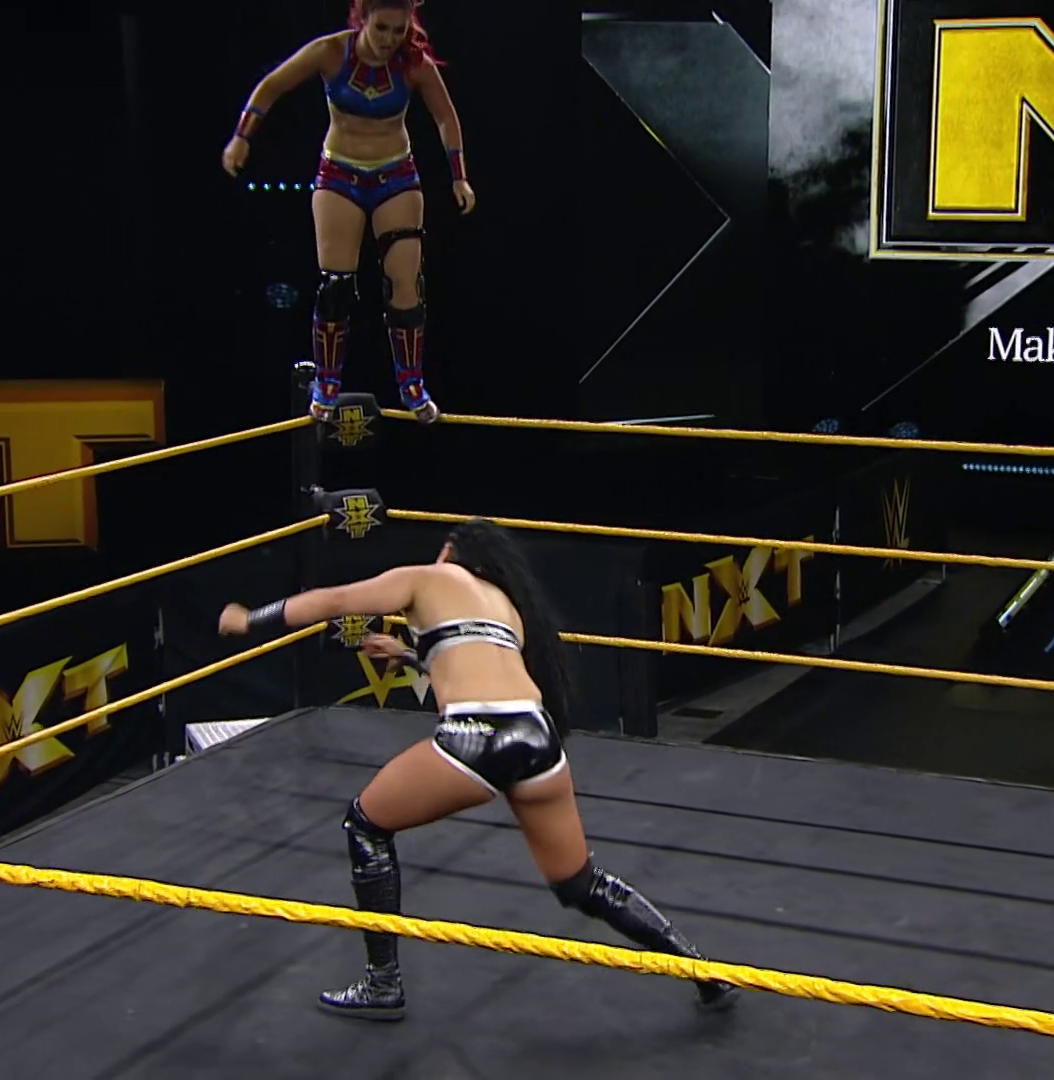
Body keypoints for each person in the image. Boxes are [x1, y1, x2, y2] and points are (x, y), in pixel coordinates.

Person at [218, 518, 739, 1019]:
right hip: (536, 737)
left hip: (478, 735)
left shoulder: (427, 577)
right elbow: (478, 666)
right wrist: (410, 656)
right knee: (580, 883)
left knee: (366, 825)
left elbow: (335, 600)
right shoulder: (507, 606)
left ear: (451, 551)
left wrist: (251, 621)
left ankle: (382, 983)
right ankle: (700, 967)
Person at [221, 0, 476, 426]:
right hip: (339, 175)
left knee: (406, 284)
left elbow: (446, 118)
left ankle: (412, 383)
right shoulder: (331, 52)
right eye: (382, 29)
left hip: (396, 175)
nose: (389, 40)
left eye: (398, 31)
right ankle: (327, 383)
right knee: (335, 288)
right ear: (363, 19)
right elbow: (272, 85)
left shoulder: (414, 64)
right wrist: (241, 138)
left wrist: (459, 178)